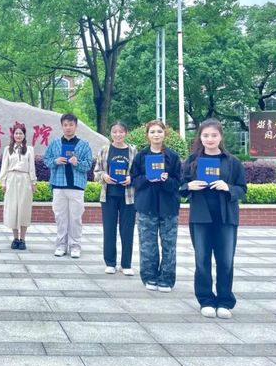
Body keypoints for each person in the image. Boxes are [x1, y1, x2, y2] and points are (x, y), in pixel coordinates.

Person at [180, 119, 246, 319]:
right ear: (200, 137)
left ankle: (225, 301)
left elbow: (242, 188)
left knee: (225, 260)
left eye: (214, 135)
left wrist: (228, 187)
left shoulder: (232, 162)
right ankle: (206, 299)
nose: (210, 139)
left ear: (220, 137)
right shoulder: (192, 161)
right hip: (201, 217)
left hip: (226, 218)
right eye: (206, 135)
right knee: (202, 259)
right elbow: (180, 186)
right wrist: (189, 186)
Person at [130, 119, 181, 293]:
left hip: (168, 207)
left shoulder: (173, 157)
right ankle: (149, 276)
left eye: (159, 131)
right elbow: (134, 179)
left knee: (169, 245)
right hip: (146, 206)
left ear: (165, 134)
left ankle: (167, 278)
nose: (156, 135)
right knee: (147, 245)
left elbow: (178, 183)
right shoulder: (141, 156)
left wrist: (167, 180)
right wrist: (147, 178)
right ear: (147, 135)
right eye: (152, 132)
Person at [43, 113, 93, 258]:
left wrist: (77, 162)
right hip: (59, 186)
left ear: (76, 126)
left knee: (75, 219)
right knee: (60, 218)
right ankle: (61, 245)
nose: (68, 128)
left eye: (71, 125)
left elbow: (88, 165)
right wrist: (55, 161)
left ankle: (75, 246)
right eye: (65, 125)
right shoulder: (55, 143)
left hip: (76, 187)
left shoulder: (84, 145)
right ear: (62, 126)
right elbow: (46, 160)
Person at [94, 121, 137, 275]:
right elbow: (96, 172)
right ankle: (110, 263)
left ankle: (126, 264)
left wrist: (131, 178)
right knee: (109, 229)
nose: (118, 135)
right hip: (109, 196)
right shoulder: (105, 150)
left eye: (121, 132)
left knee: (127, 230)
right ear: (110, 133)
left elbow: (139, 172)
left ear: (126, 133)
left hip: (128, 197)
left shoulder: (133, 151)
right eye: (114, 132)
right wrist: (103, 176)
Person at [0, 123, 37, 250]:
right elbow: (4, 166)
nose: (18, 135)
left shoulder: (29, 149)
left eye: (21, 133)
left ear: (24, 135)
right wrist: (3, 182)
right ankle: (15, 238)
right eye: (16, 133)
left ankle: (23, 239)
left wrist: (33, 182)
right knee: (13, 209)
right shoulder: (8, 149)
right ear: (13, 135)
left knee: (24, 209)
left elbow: (32, 167)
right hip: (12, 179)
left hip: (25, 180)